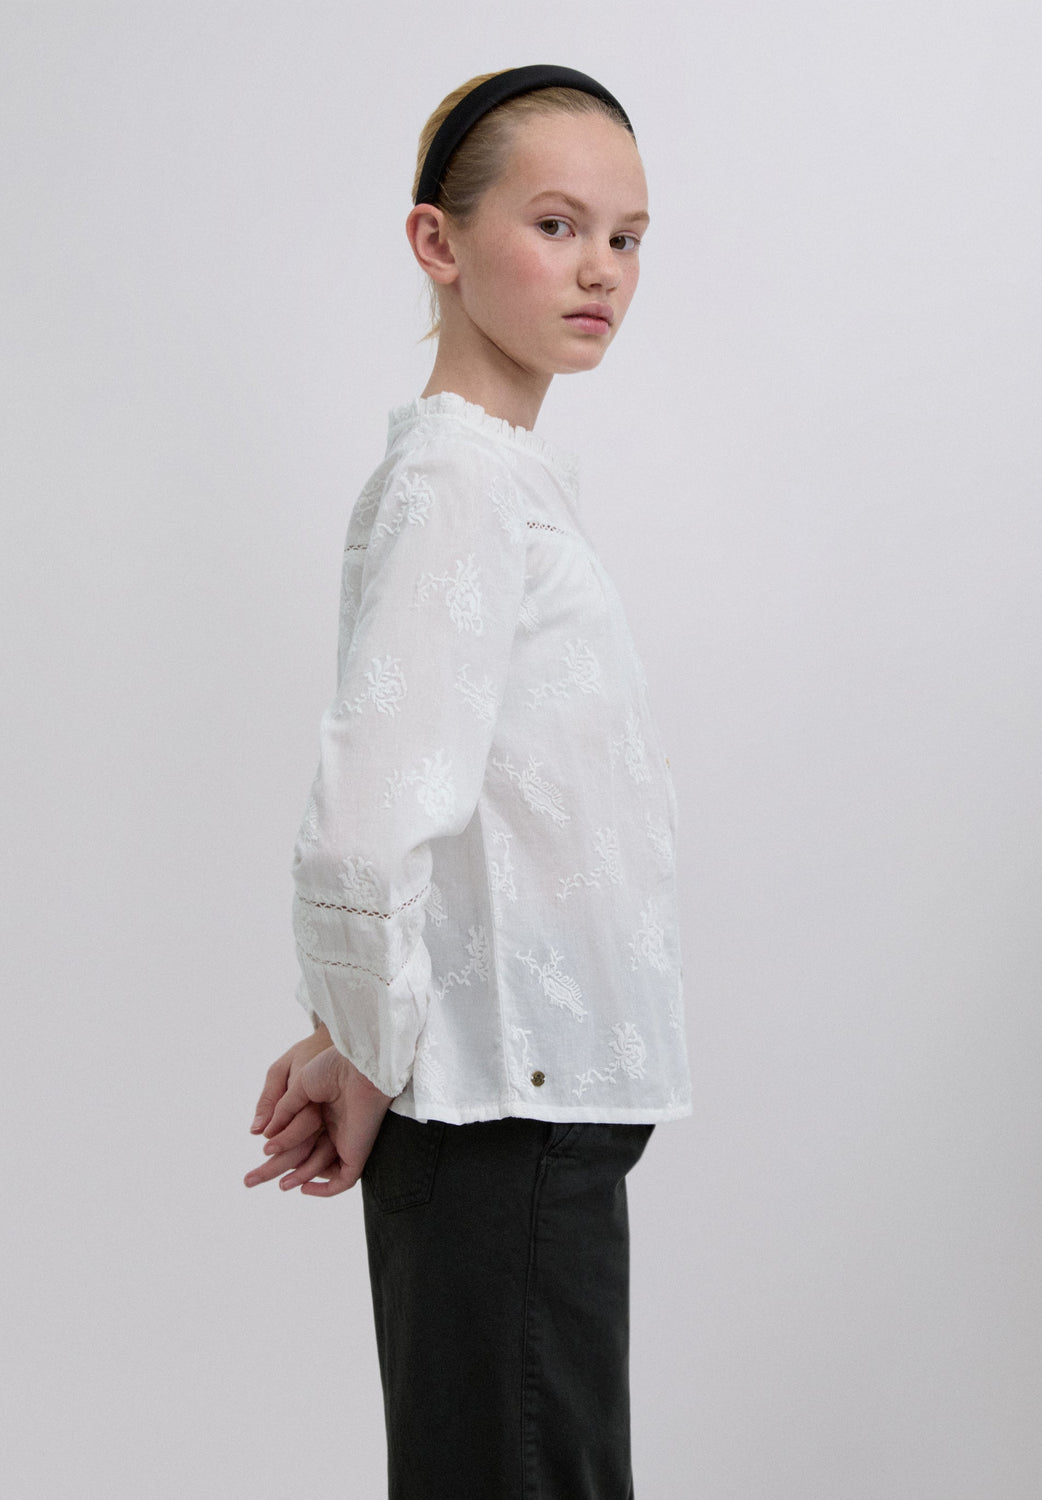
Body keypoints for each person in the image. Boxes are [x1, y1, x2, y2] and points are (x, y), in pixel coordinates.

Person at [244, 64, 692, 1499]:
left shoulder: (502, 480)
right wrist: (369, 1049)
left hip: (529, 1106)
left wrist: (350, 1041)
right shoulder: (459, 485)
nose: (601, 269)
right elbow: (370, 823)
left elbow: (484, 811)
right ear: (437, 242)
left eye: (626, 236)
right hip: (501, 1118)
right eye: (557, 225)